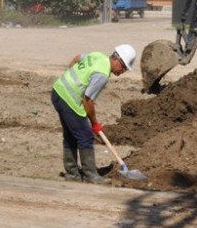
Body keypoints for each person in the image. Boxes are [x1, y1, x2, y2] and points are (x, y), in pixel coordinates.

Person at [51, 44, 136, 183]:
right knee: (85, 135)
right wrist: (94, 122)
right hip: (69, 100)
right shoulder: (102, 74)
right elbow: (87, 100)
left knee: (71, 135)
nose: (124, 71)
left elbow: (77, 58)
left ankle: (72, 174)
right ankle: (91, 176)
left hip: (58, 91)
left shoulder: (98, 55)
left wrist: (69, 76)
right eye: (124, 67)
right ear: (117, 59)